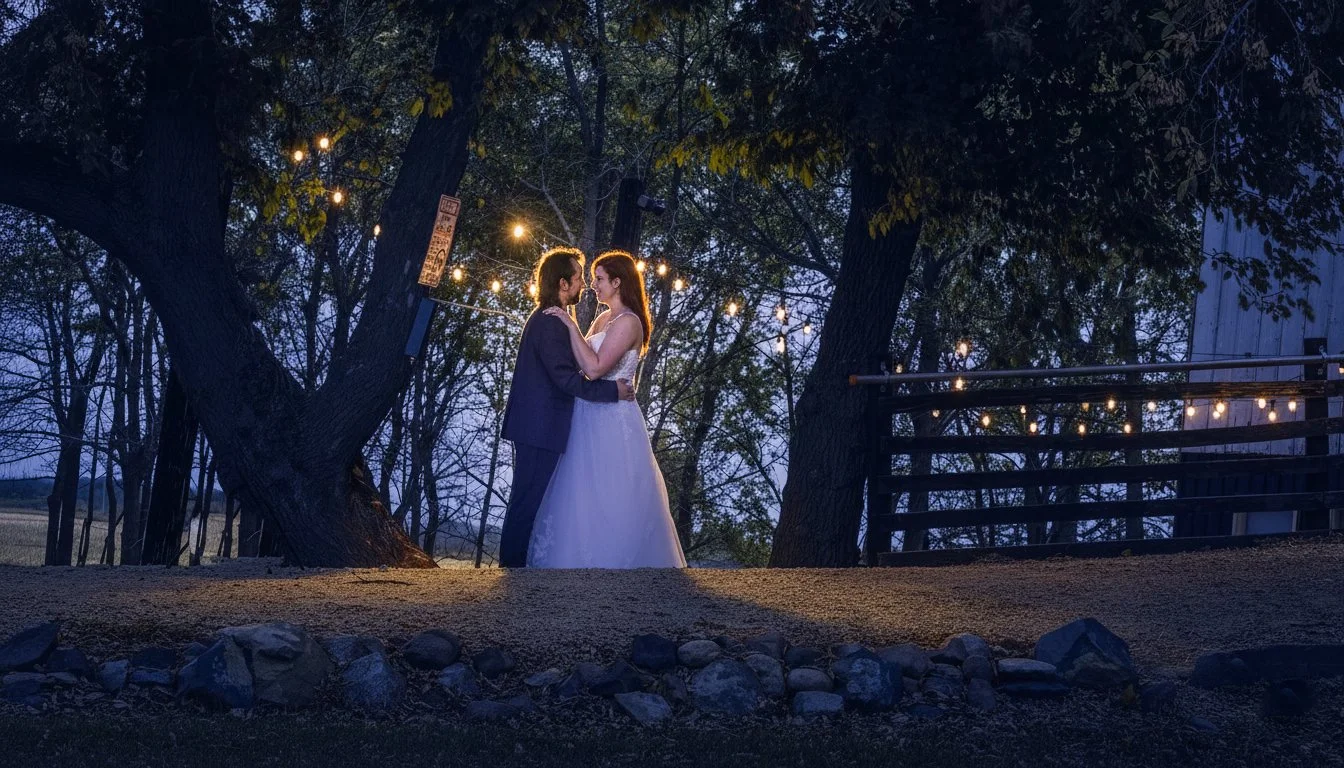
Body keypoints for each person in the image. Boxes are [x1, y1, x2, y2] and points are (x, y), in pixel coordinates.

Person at [528, 249, 687, 569]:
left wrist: (570, 324)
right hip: (587, 414)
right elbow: (580, 360)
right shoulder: (603, 319)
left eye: (599, 279)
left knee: (613, 487)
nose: (593, 285)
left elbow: (595, 367)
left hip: (614, 418)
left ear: (617, 282)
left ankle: (618, 561)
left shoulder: (629, 322)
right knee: (581, 488)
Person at [498, 246, 635, 568]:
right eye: (578, 278)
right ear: (562, 284)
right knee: (526, 502)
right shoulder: (550, 322)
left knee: (530, 500)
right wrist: (612, 391)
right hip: (538, 428)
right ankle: (512, 568)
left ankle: (515, 566)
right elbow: (567, 380)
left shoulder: (556, 319)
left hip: (540, 427)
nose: (584, 285)